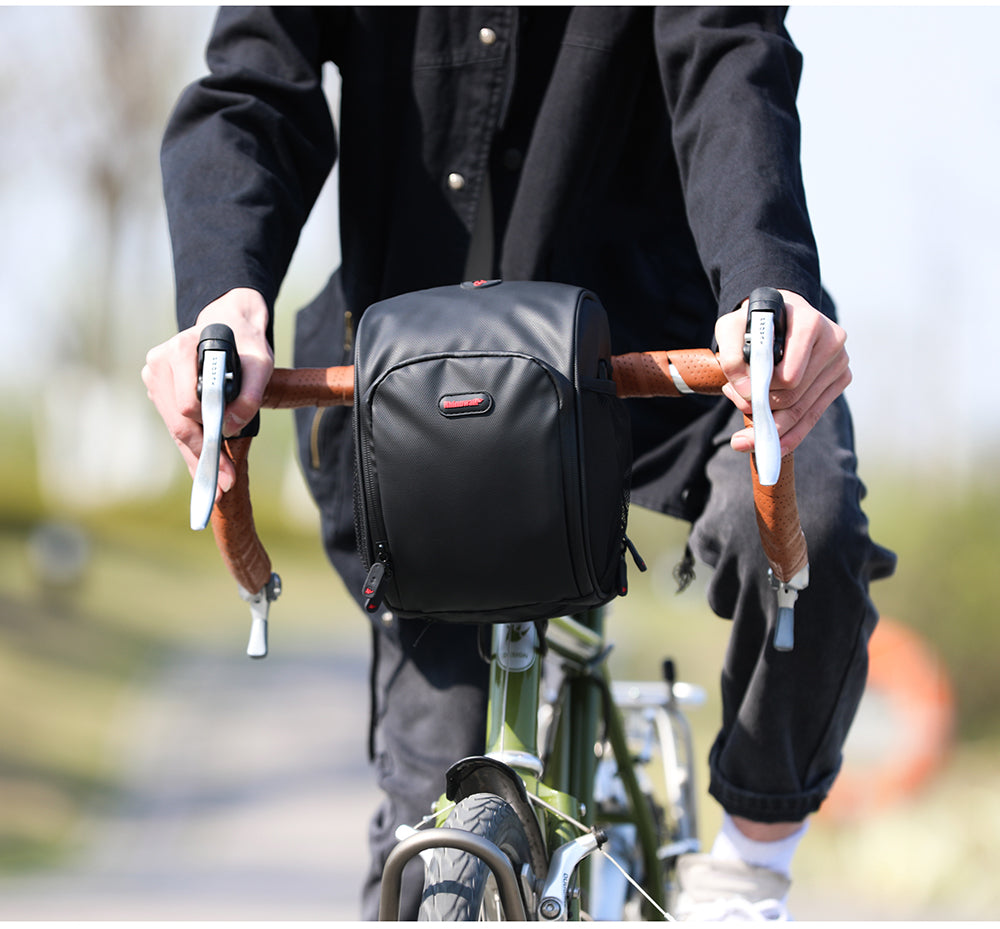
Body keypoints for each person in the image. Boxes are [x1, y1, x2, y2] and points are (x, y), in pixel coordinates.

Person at [143, 7, 895, 920]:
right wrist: (225, 296)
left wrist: (763, 281)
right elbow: (254, 90)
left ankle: (748, 869)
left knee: (809, 512)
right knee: (424, 850)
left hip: (656, 358)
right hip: (419, 399)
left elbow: (730, 55)